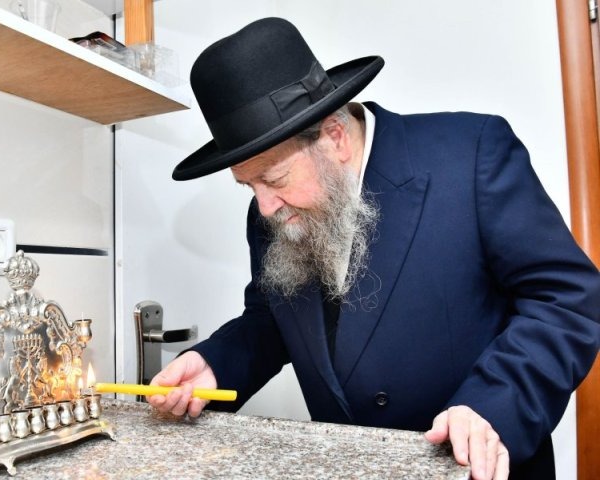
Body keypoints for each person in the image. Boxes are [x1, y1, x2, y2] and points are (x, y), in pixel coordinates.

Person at [146, 17, 600, 480]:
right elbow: (273, 318)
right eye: (248, 186)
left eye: (274, 178)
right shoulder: (273, 213)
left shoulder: (471, 155)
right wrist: (216, 364)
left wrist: (494, 406)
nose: (264, 206)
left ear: (335, 137)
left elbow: (566, 301)